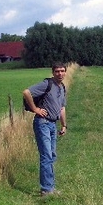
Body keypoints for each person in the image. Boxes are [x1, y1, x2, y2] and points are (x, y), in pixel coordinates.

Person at [22, 62, 67, 197]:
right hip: (42, 123)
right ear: (53, 72)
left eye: (62, 71)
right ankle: (46, 190)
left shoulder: (62, 87)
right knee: (46, 156)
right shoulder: (47, 84)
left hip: (53, 124)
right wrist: (35, 109)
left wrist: (64, 125)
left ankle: (50, 187)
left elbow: (62, 108)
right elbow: (26, 92)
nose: (60, 74)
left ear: (65, 72)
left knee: (52, 155)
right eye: (57, 71)